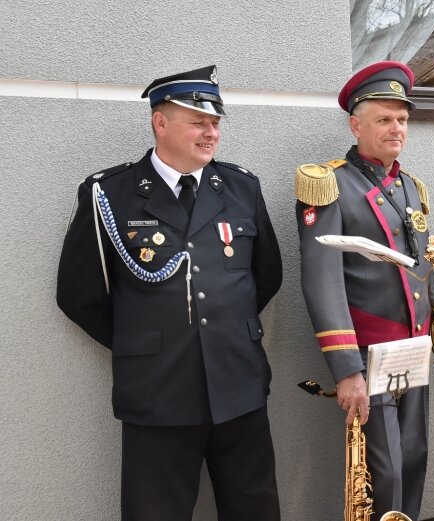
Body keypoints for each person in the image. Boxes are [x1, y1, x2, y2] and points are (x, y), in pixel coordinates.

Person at [56, 66, 283, 521]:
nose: (211, 132)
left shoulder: (241, 187)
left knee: (255, 510)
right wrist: (143, 341)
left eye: (216, 122)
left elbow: (266, 277)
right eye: (198, 122)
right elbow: (78, 295)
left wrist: (221, 333)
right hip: (158, 393)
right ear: (160, 123)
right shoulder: (110, 193)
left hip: (238, 385)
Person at [295, 61, 434, 520]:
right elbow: (321, 280)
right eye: (384, 119)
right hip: (368, 353)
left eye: (402, 119)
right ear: (355, 124)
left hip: (413, 349)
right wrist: (345, 368)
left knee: (412, 458)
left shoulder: (411, 187)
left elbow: (425, 268)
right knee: (381, 470)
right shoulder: (328, 184)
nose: (396, 128)